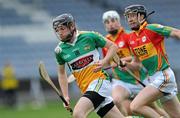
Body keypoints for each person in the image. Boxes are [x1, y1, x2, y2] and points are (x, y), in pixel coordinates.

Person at [53, 13, 124, 118]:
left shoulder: (89, 36)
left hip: (100, 81)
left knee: (78, 113)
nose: (60, 33)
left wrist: (104, 61)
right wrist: (66, 96)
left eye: (62, 28)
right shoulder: (59, 50)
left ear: (72, 26)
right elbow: (61, 73)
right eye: (57, 30)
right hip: (86, 88)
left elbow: (113, 46)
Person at [102, 10, 169, 117]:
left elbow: (137, 58)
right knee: (116, 100)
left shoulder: (129, 36)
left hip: (138, 79)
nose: (110, 24)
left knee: (153, 108)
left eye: (113, 20)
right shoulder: (105, 41)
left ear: (119, 22)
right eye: (107, 22)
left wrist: (122, 61)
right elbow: (108, 61)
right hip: (121, 81)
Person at [123, 4, 180, 118]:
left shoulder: (152, 28)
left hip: (163, 76)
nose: (130, 19)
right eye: (128, 16)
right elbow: (137, 65)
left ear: (142, 16)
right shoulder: (131, 39)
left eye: (133, 15)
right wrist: (126, 65)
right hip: (154, 78)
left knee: (135, 106)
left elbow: (176, 32)